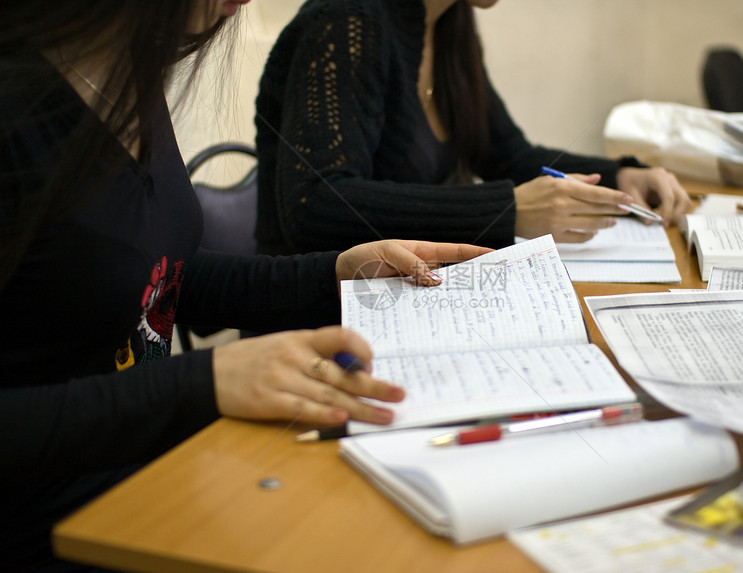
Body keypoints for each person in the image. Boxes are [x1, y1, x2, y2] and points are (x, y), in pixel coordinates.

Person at [0, 1, 491, 570]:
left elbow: (157, 277)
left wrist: (336, 272)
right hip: (56, 527)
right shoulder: (17, 102)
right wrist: (204, 381)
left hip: (158, 474)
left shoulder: (122, 75)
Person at [254, 0, 693, 256]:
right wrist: (506, 209)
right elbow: (316, 205)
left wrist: (622, 175)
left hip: (411, 291)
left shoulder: (450, 22)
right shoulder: (344, 21)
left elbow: (507, 155)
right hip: (328, 319)